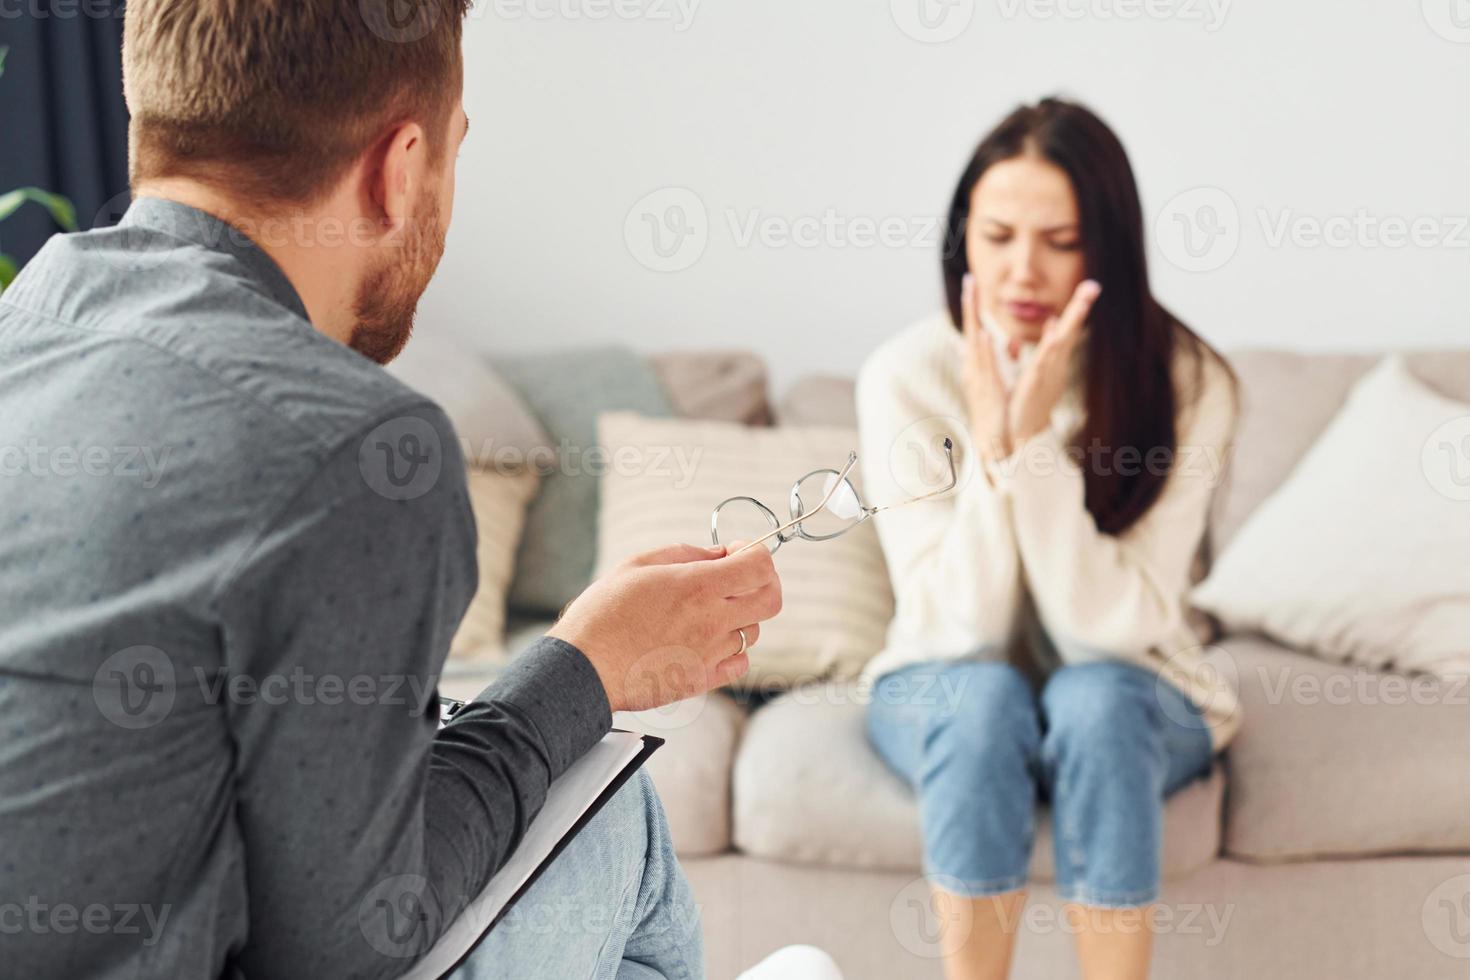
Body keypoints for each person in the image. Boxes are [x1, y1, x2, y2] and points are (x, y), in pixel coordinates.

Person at [0, 2, 784, 978]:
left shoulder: (21, 327)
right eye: (455, 154)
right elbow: (353, 944)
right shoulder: (353, 444)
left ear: (147, 129)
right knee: (611, 809)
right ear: (400, 167)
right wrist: (585, 667)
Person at [856, 97, 1242, 980]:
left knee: (1096, 700)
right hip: (944, 682)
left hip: (1136, 688)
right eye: (996, 237)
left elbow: (1109, 630)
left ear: (1110, 245)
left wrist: (1028, 449)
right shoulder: (906, 377)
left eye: (1061, 242)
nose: (1022, 272)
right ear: (964, 242)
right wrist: (997, 440)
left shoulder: (1189, 382)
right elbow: (963, 630)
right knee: (981, 699)